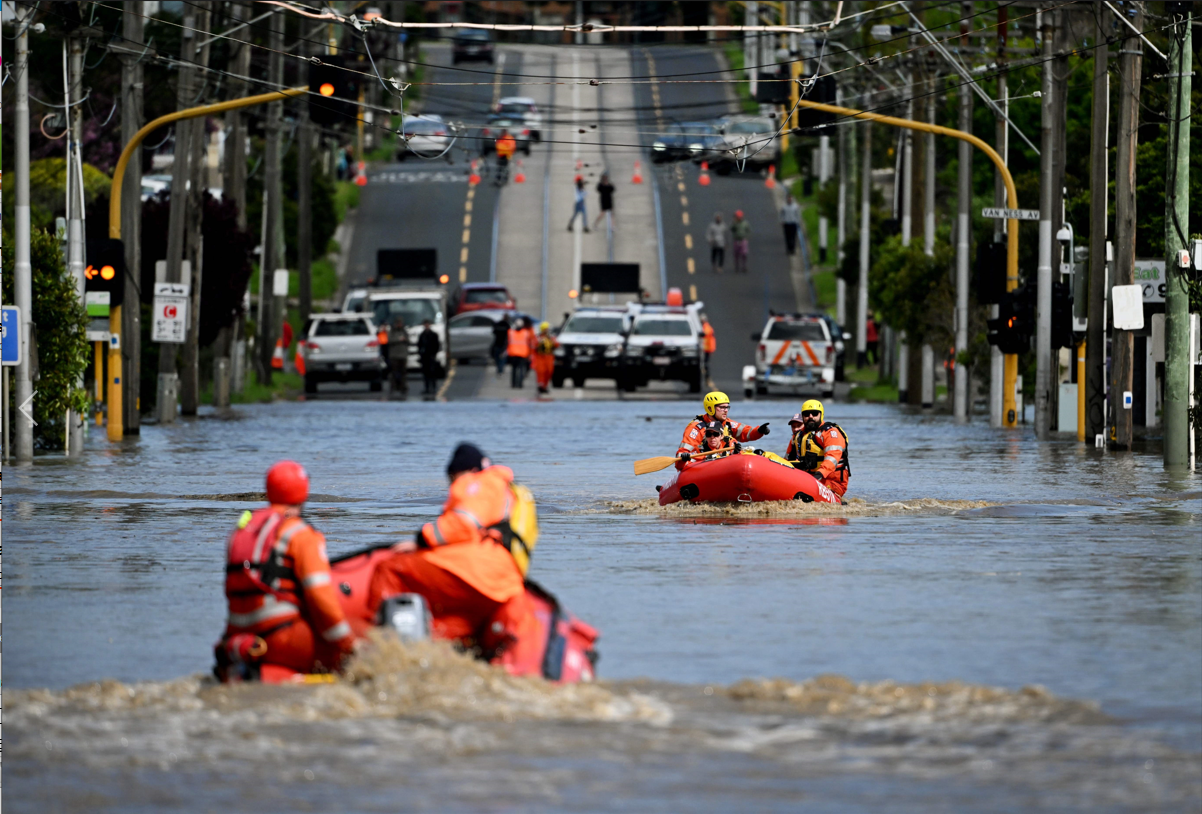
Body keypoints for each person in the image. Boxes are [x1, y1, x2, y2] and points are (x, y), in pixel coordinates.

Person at [367, 443, 537, 649]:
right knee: (450, 629)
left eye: (452, 479)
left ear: (466, 471)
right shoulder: (507, 491)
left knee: (389, 568)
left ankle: (374, 644)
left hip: (476, 571)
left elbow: (463, 523)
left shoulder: (480, 483)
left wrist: (422, 540)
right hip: (503, 583)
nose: (451, 485)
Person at [217, 461, 356, 679]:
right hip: (281, 638)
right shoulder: (300, 533)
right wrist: (348, 644)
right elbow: (321, 596)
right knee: (360, 649)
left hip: (236, 639)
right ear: (304, 491)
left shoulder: (241, 530)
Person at [675, 391, 769, 471]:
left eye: (727, 407)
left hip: (724, 464)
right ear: (710, 408)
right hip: (702, 465)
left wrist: (759, 431)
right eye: (722, 407)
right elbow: (682, 454)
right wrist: (683, 458)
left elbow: (745, 432)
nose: (726, 411)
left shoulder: (727, 424)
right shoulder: (696, 428)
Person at [786, 399, 850, 499]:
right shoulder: (798, 437)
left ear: (821, 415)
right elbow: (786, 461)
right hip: (809, 479)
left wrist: (819, 474)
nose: (810, 416)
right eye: (807, 414)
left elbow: (832, 459)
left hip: (832, 482)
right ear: (803, 417)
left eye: (815, 413)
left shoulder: (830, 433)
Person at [507, 317, 535, 388]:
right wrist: (530, 354)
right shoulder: (526, 332)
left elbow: (508, 342)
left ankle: (513, 384)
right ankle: (520, 384)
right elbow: (530, 344)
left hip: (513, 354)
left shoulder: (511, 332)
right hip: (523, 354)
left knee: (514, 370)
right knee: (521, 369)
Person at [532, 321, 558, 395]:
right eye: (545, 329)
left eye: (548, 329)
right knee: (541, 371)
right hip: (540, 357)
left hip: (549, 357)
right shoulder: (538, 337)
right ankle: (540, 385)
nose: (547, 330)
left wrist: (552, 340)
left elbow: (556, 344)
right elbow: (534, 346)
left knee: (549, 371)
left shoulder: (551, 337)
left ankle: (545, 386)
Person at [417, 319, 441, 395]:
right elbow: (419, 345)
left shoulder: (434, 335)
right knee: (425, 373)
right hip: (424, 356)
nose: (426, 325)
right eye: (425, 324)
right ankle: (427, 388)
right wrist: (421, 354)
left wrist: (434, 353)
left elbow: (437, 345)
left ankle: (433, 387)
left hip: (431, 356)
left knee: (432, 372)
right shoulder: (422, 335)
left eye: (427, 324)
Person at [388, 317, 409, 396]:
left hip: (403, 355)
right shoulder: (392, 332)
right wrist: (398, 339)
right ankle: (393, 387)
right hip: (394, 355)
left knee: (403, 373)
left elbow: (408, 340)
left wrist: (404, 339)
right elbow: (389, 340)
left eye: (400, 323)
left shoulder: (404, 331)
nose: (399, 325)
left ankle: (402, 387)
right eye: (398, 323)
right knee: (394, 373)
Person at [731, 209, 751, 274]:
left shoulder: (745, 223)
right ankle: (737, 266)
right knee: (736, 254)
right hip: (736, 240)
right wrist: (734, 223)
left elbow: (748, 230)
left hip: (743, 240)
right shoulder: (734, 223)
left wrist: (747, 238)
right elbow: (731, 229)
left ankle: (744, 266)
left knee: (744, 254)